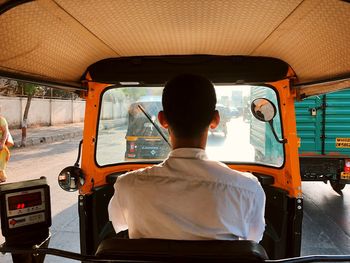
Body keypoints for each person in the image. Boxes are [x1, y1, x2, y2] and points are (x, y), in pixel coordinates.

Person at [108, 74, 266, 242]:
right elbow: (254, 239)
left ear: (162, 120)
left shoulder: (127, 185)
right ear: (215, 120)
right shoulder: (248, 190)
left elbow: (119, 224)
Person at [0, 108, 10, 183]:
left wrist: (2, 143)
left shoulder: (1, 120)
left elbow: (5, 131)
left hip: (0, 145)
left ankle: (2, 177)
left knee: (1, 162)